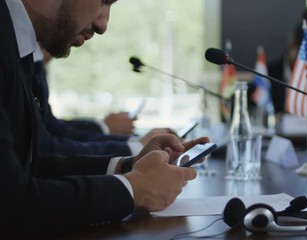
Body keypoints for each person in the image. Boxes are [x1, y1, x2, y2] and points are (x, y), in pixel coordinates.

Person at [0, 0, 208, 238]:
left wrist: (128, 167)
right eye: (104, 1)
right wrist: (135, 189)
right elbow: (10, 206)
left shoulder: (14, 39)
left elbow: (34, 160)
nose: (102, 24)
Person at [33, 46, 176, 156]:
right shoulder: (31, 63)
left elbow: (54, 128)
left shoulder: (36, 62)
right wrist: (135, 147)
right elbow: (49, 145)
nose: (102, 25)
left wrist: (136, 143)